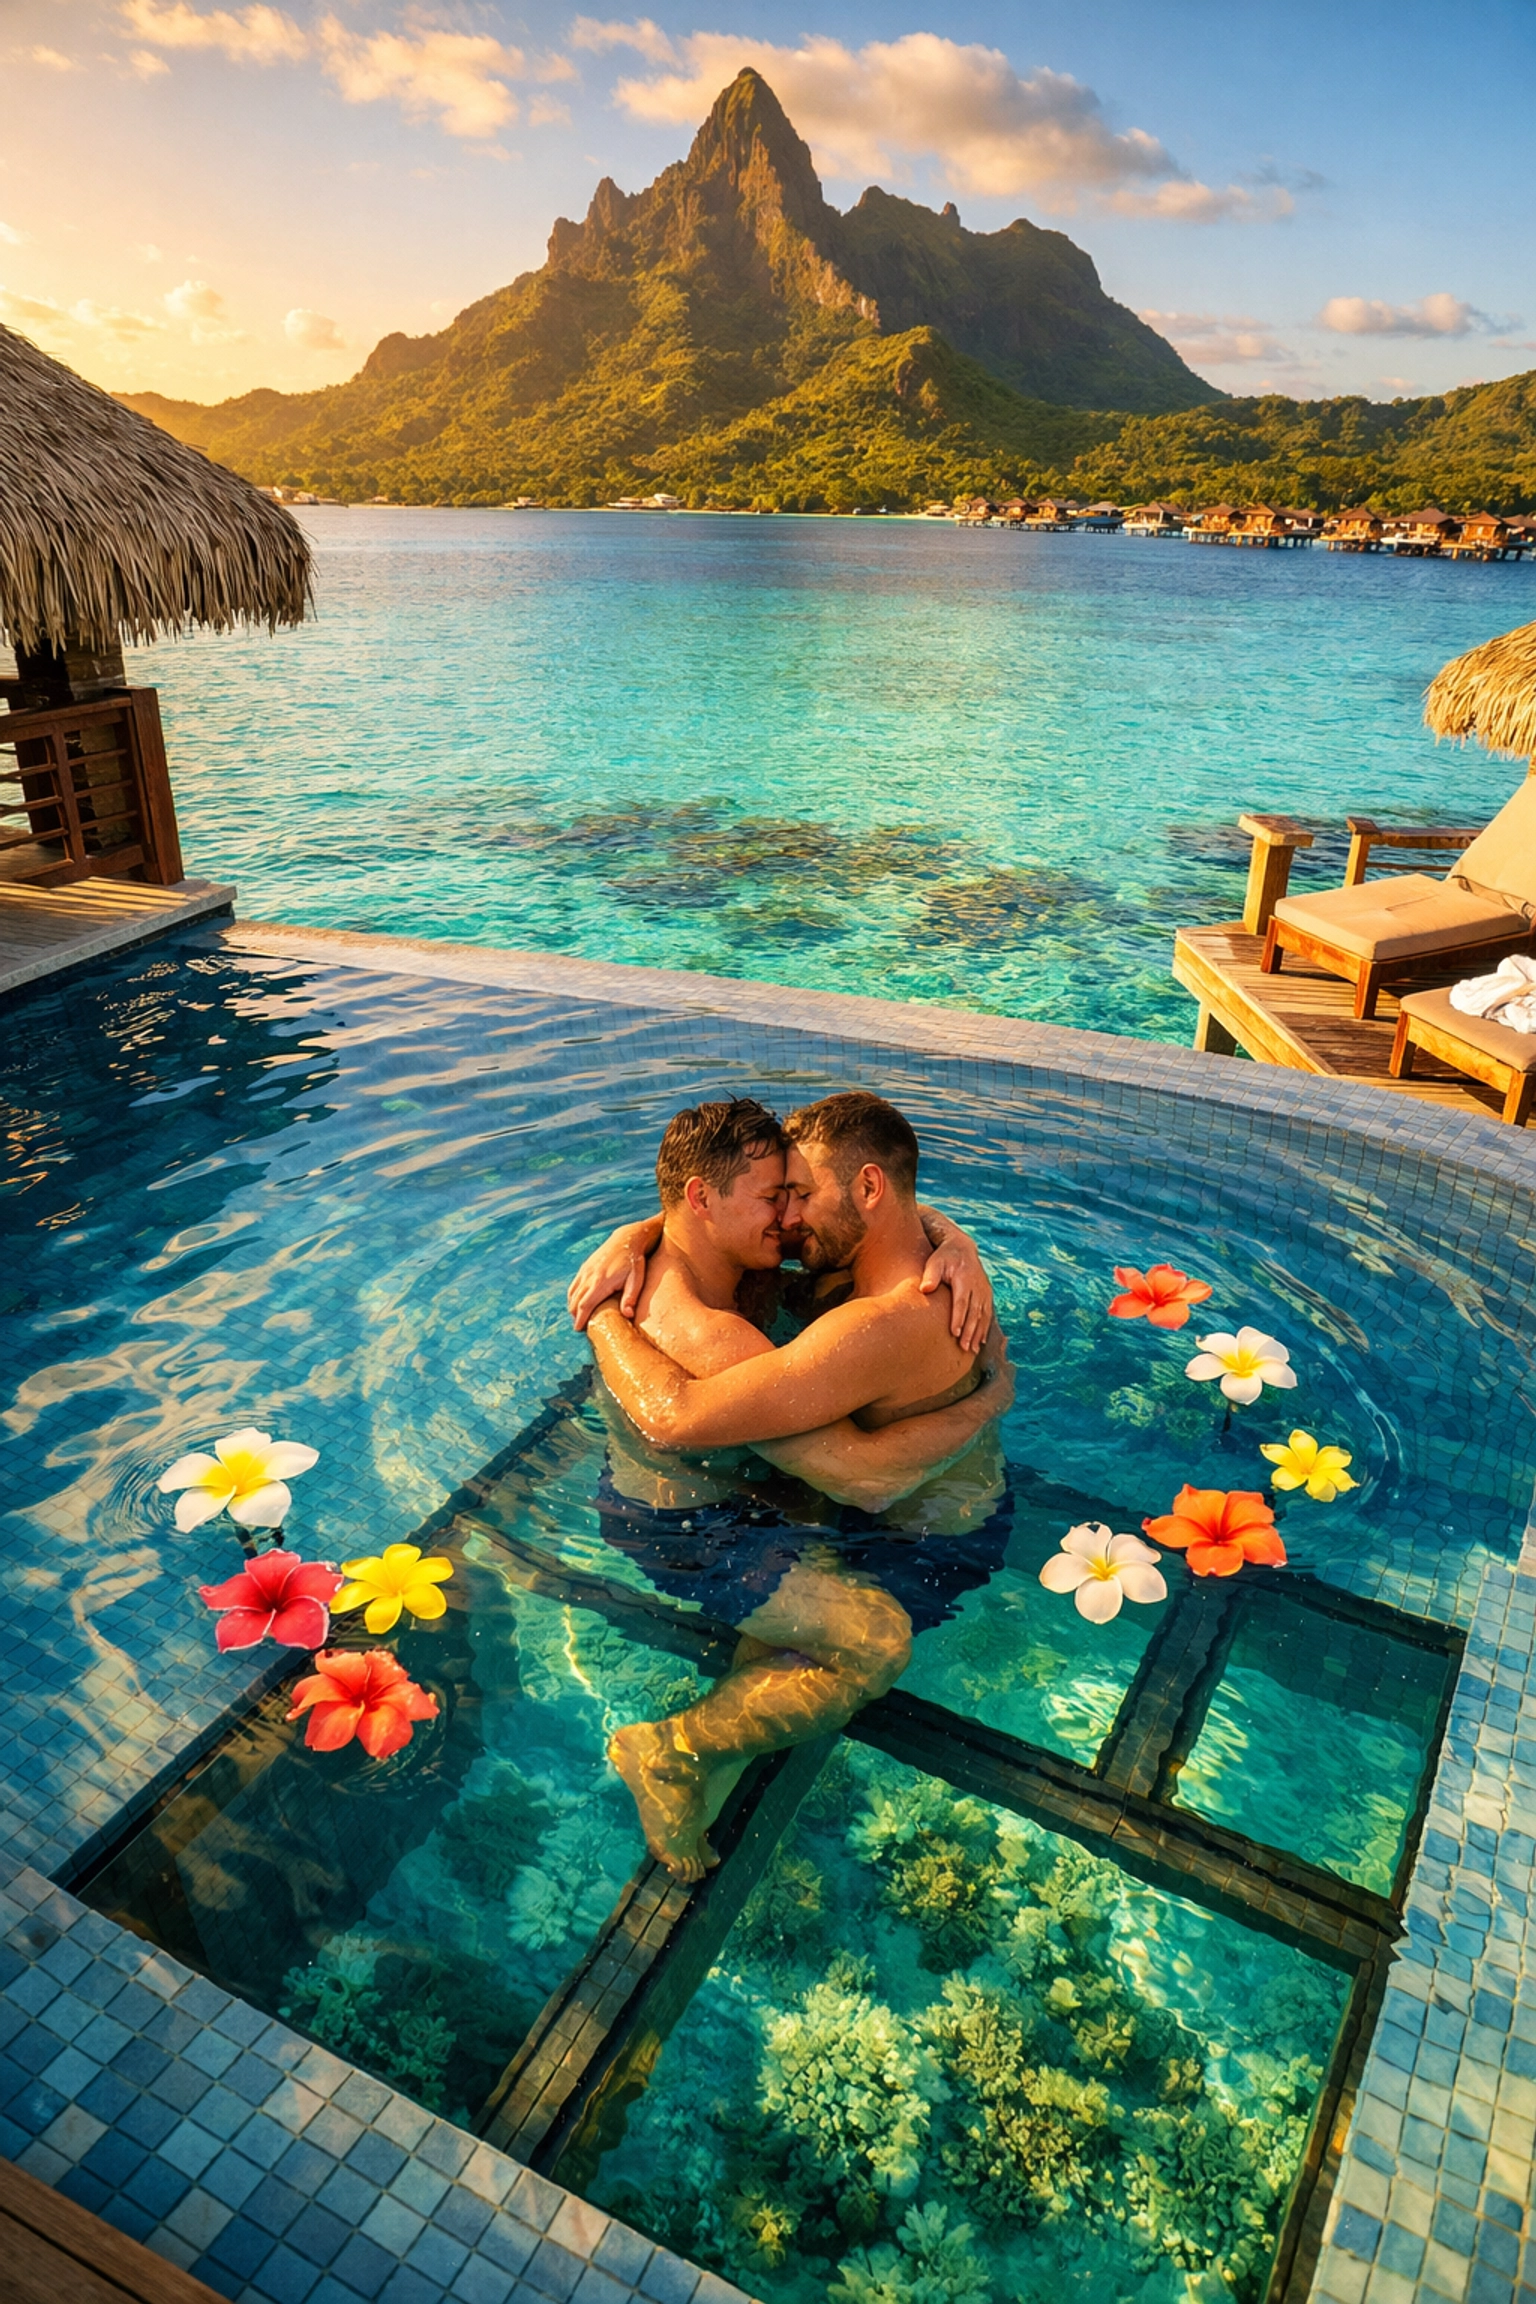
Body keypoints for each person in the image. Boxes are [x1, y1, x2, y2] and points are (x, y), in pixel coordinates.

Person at [568, 1091, 1012, 1880]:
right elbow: (845, 1470)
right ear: (704, 1200)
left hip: (745, 1495)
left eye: (796, 1194)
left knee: (808, 1629)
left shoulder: (748, 1267)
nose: (788, 1219)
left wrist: (955, 1240)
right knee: (874, 1642)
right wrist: (988, 1401)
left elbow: (889, 1208)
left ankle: (718, 1745)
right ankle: (670, 1750)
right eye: (777, 1198)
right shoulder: (705, 1322)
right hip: (685, 1522)